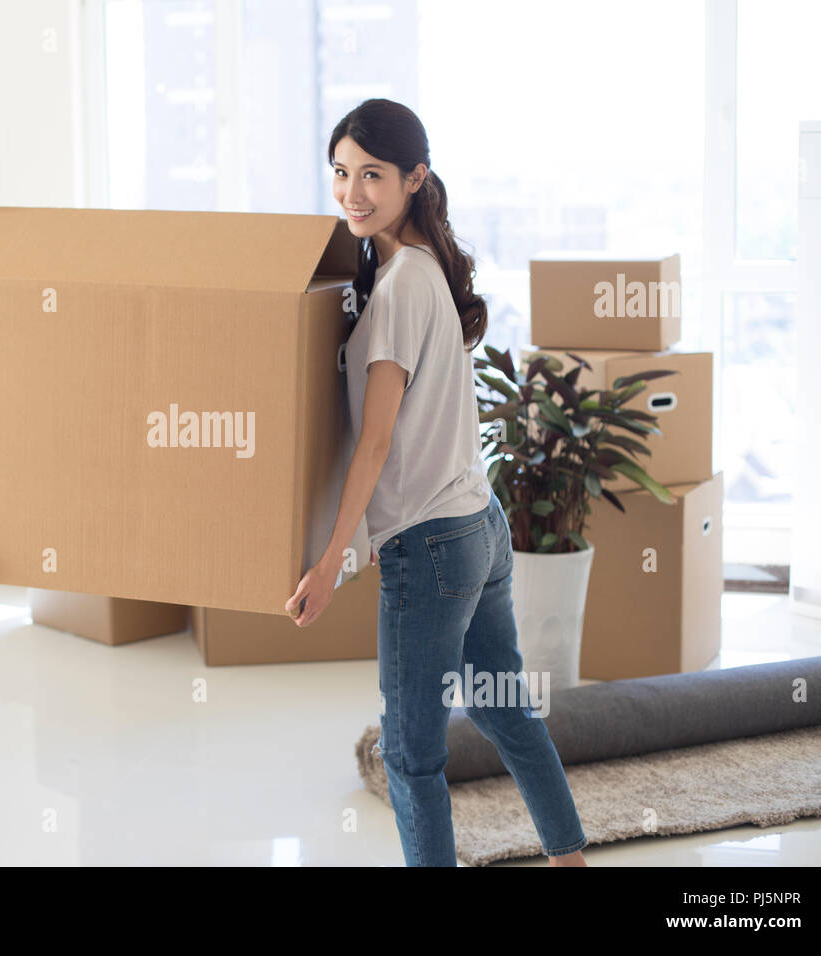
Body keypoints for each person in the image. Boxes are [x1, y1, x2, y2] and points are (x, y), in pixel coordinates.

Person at [285, 98, 588, 867]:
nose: (352, 193)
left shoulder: (395, 292)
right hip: (477, 527)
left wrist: (330, 562)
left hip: (433, 547)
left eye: (373, 176)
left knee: (412, 755)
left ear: (415, 178)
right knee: (509, 716)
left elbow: (377, 441)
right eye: (341, 174)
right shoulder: (420, 271)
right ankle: (571, 858)